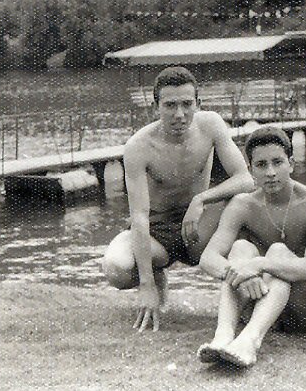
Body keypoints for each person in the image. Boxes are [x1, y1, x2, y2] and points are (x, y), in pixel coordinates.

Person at [102, 66, 255, 332]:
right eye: (170, 105)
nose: (179, 114)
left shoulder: (211, 125)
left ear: (198, 103)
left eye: (187, 104)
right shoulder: (139, 147)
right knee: (117, 268)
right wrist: (146, 285)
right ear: (156, 107)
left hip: (198, 226)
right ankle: (156, 274)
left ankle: (246, 296)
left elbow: (245, 179)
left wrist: (201, 200)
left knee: (242, 204)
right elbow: (139, 216)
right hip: (156, 229)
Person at [196, 126, 306, 367]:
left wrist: (259, 265)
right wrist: (242, 273)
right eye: (261, 165)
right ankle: (224, 335)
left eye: (277, 162)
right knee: (241, 248)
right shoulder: (243, 204)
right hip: (260, 304)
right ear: (251, 170)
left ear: (291, 164)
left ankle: (250, 341)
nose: (270, 172)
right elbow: (208, 258)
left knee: (278, 252)